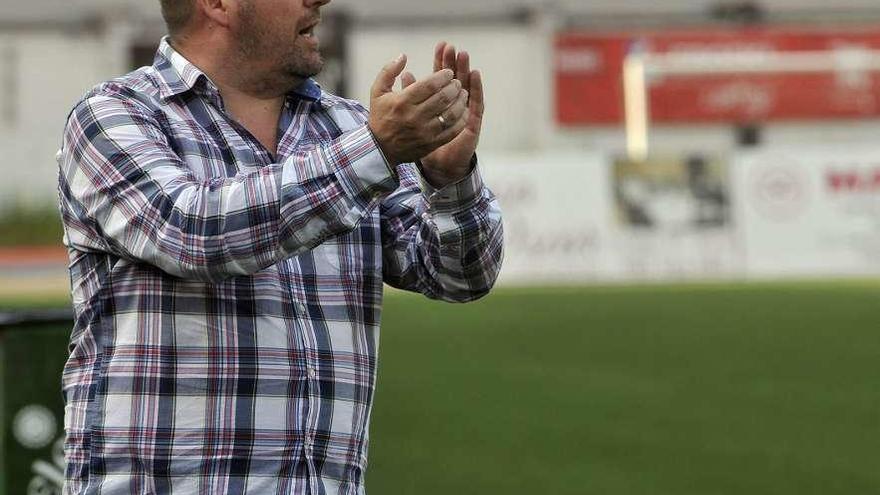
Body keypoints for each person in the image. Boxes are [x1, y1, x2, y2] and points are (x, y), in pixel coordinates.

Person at [56, 0, 503, 493]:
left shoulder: (347, 130)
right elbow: (193, 232)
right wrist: (374, 151)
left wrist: (449, 179)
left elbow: (460, 275)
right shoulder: (114, 114)